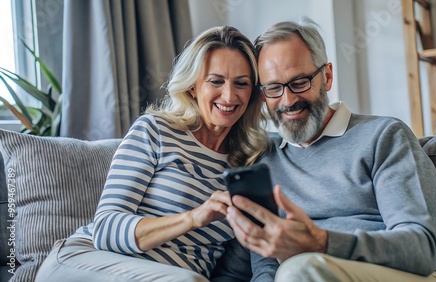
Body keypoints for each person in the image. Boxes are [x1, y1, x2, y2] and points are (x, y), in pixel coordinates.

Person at [225, 18, 436, 282]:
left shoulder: (384, 136)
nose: (288, 101)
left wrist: (322, 242)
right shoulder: (264, 157)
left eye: (300, 82)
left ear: (327, 76)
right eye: (274, 88)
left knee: (298, 272)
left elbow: (421, 250)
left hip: (428, 274)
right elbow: (265, 261)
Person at [35, 26, 277, 282]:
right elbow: (105, 228)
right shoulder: (156, 131)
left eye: (241, 83)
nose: (229, 95)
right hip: (86, 262)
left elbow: (255, 254)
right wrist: (193, 218)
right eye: (215, 81)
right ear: (193, 86)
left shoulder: (251, 161)